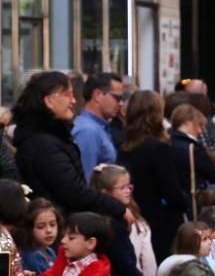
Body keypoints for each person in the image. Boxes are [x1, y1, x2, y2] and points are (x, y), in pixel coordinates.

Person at [12, 71, 129, 225]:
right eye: (67, 95)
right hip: (57, 228)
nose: (73, 101)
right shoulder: (43, 144)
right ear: (49, 101)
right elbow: (74, 191)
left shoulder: (54, 137)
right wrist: (117, 207)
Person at [118, 91, 189, 262]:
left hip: (139, 215)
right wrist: (185, 201)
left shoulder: (125, 148)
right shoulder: (159, 149)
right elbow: (170, 190)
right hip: (163, 223)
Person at [169, 104, 215, 217]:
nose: (199, 130)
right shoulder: (193, 148)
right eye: (198, 125)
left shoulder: (166, 143)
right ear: (187, 122)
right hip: (193, 200)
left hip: (173, 203)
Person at [71, 73, 123, 180]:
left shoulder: (98, 127)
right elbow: (86, 178)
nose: (121, 103)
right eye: (116, 98)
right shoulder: (88, 131)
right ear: (98, 95)